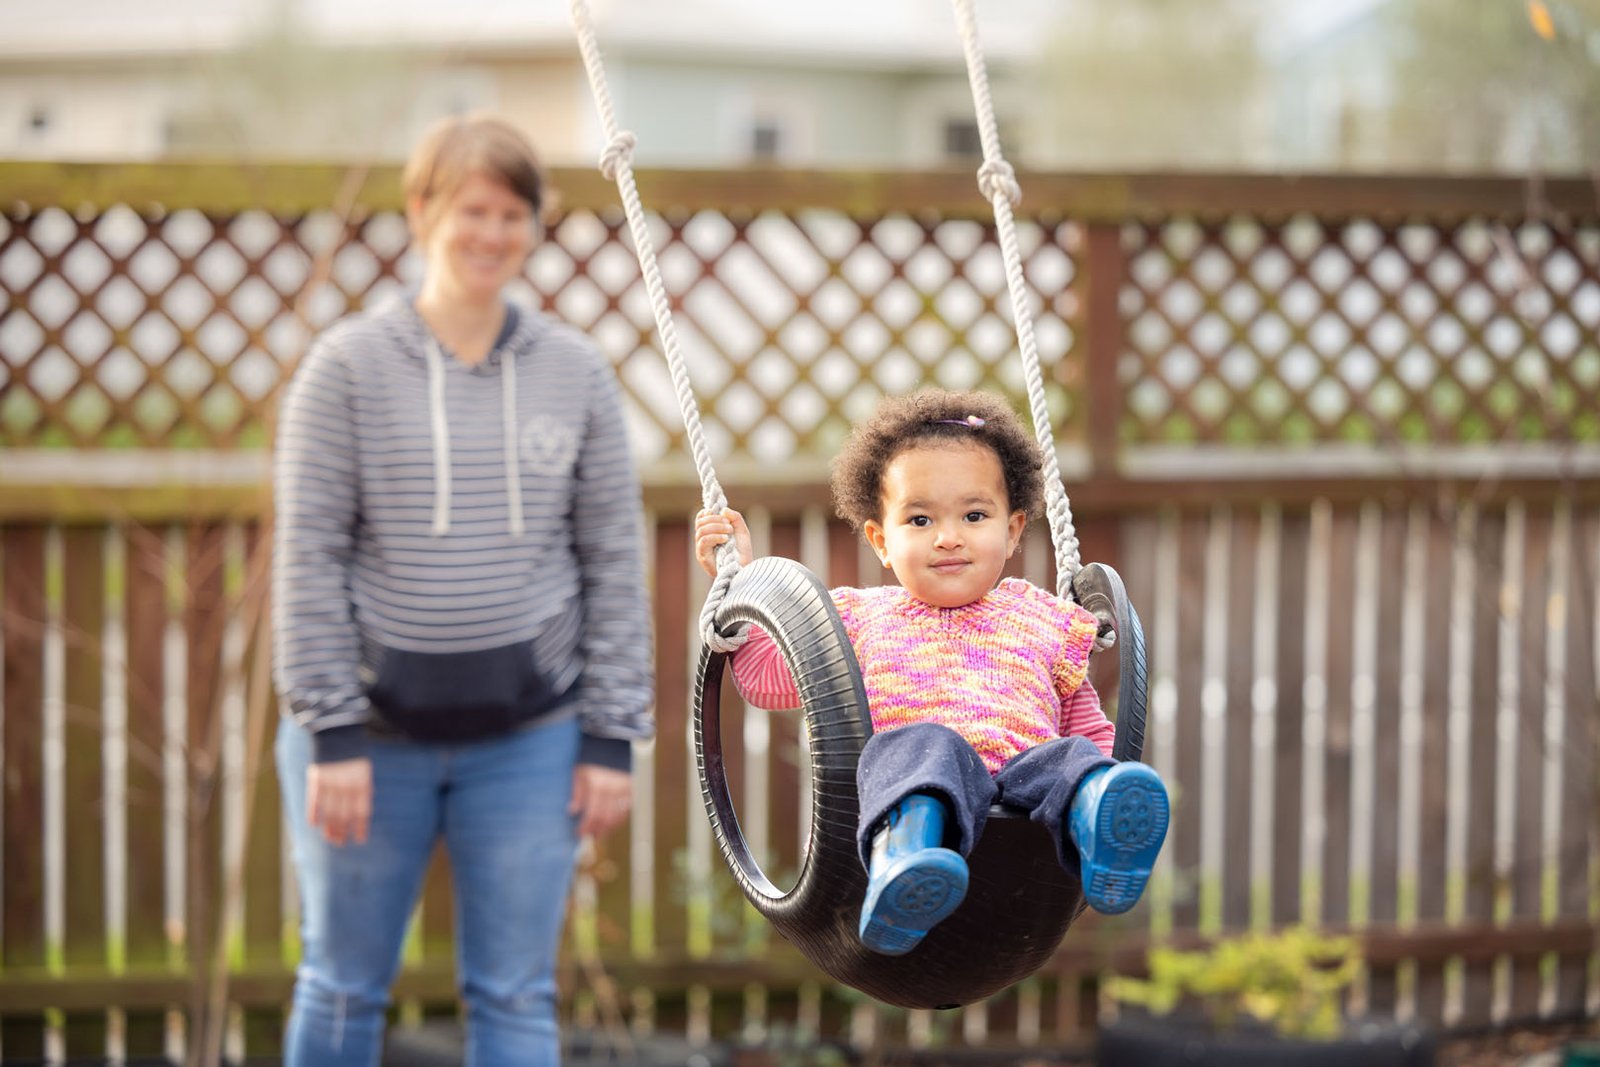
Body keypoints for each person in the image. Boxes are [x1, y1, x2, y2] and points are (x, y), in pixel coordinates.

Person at [272, 113, 653, 1066]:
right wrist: (331, 732)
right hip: (369, 745)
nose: (492, 233)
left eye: (513, 213)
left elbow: (612, 557)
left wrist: (610, 735)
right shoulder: (345, 369)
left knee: (516, 992)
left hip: (530, 742)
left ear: (534, 225)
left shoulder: (577, 373)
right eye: (472, 209)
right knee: (343, 986)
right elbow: (310, 553)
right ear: (422, 211)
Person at [694, 389, 1168, 956]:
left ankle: (1102, 820)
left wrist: (1101, 769)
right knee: (921, 748)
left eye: (974, 515)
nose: (948, 536)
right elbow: (766, 681)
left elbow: (1083, 720)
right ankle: (909, 862)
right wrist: (739, 582)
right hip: (922, 799)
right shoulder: (855, 620)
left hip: (1021, 821)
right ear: (881, 541)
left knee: (1071, 760)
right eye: (920, 519)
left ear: (1014, 530)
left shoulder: (1043, 617)